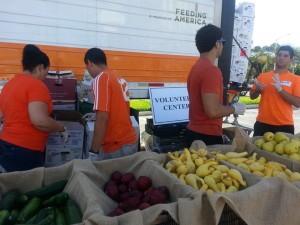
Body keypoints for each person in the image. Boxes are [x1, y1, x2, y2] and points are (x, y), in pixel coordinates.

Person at [0, 44, 68, 172]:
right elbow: (40, 121)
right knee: (28, 190)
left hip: (5, 145)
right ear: (41, 67)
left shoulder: (9, 85)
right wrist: (61, 127)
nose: (46, 77)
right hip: (25, 151)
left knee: (10, 187)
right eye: (47, 72)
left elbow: (2, 115)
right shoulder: (36, 85)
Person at [186, 24, 246, 146]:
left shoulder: (196, 67)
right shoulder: (211, 70)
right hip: (206, 136)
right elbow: (212, 111)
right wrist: (234, 109)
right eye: (222, 42)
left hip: (194, 131)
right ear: (217, 44)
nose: (223, 45)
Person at [84, 48, 138, 160]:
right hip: (130, 141)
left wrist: (93, 151)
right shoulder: (118, 78)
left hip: (116, 146)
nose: (87, 70)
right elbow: (119, 110)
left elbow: (103, 119)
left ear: (90, 63)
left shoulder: (100, 79)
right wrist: (96, 115)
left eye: (87, 66)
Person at [250, 45, 300, 136]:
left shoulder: (296, 79)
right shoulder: (263, 76)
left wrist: (280, 90)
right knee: (257, 150)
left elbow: (297, 103)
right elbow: (252, 97)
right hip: (262, 123)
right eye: (279, 55)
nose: (281, 58)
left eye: (285, 56)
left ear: (291, 60)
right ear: (276, 57)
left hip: (285, 125)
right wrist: (257, 90)